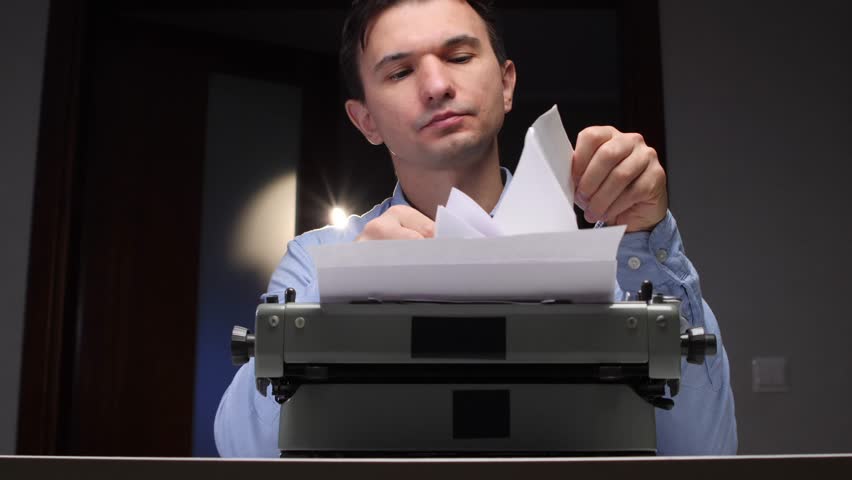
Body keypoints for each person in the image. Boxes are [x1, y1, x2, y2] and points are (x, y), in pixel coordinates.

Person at [214, 0, 737, 457]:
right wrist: (340, 295)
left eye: (459, 57)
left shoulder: (617, 267)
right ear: (365, 120)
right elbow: (245, 454)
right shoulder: (317, 261)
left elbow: (701, 453)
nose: (438, 86)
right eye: (399, 73)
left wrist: (647, 239)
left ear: (507, 83)